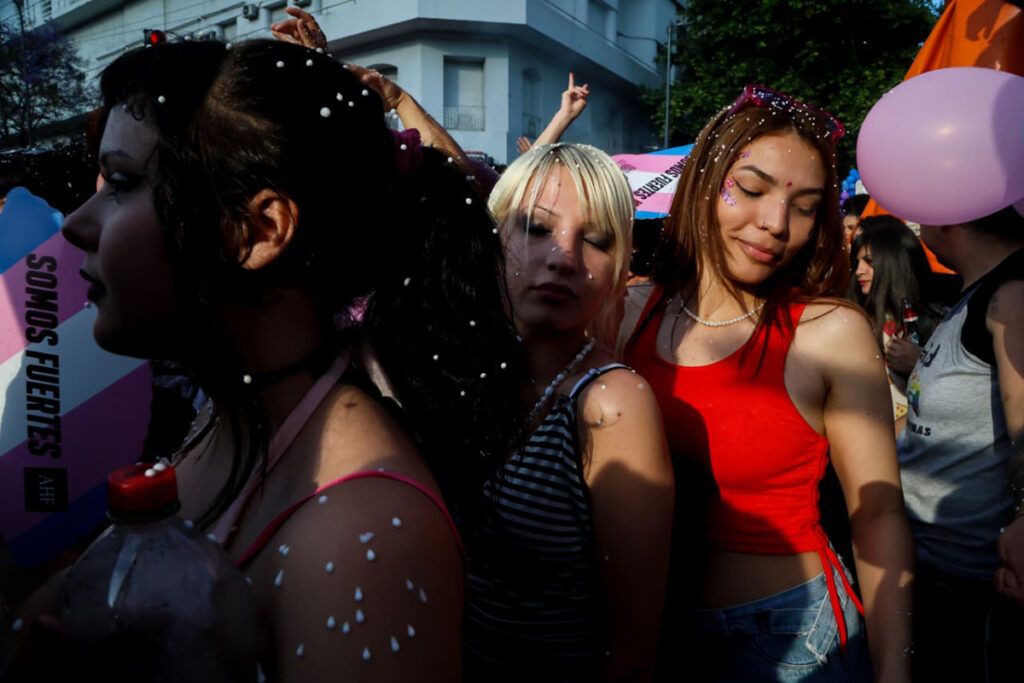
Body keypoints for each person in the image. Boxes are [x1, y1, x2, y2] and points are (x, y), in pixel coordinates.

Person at [7, 38, 529, 682]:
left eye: (120, 183)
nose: (77, 225)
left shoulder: (363, 539)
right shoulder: (226, 414)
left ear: (257, 232)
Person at [620, 85, 914, 681]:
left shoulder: (830, 332)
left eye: (805, 207)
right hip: (653, 638)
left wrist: (896, 670)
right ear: (705, 179)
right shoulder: (628, 311)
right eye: (750, 190)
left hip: (795, 639)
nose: (776, 224)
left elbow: (878, 513)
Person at [466, 142, 674, 681]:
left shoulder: (611, 403)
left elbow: (633, 645)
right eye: (536, 228)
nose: (563, 257)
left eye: (597, 241)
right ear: (494, 238)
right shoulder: (464, 372)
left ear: (618, 267)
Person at [898, 204, 1024, 681]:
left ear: (948, 212)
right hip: (937, 576)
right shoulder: (977, 291)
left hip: (974, 593)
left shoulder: (1011, 296)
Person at [849, 215, 943, 435]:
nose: (859, 271)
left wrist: (919, 364)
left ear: (894, 263)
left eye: (870, 262)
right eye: (857, 262)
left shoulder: (939, 320)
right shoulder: (854, 319)